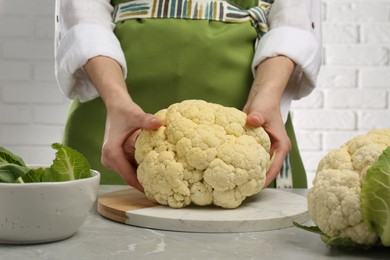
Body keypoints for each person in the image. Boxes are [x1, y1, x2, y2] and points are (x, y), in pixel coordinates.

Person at [54, 0, 321, 191]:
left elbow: (293, 19)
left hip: (250, 110)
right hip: (111, 114)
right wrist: (116, 99)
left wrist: (268, 93)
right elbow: (82, 12)